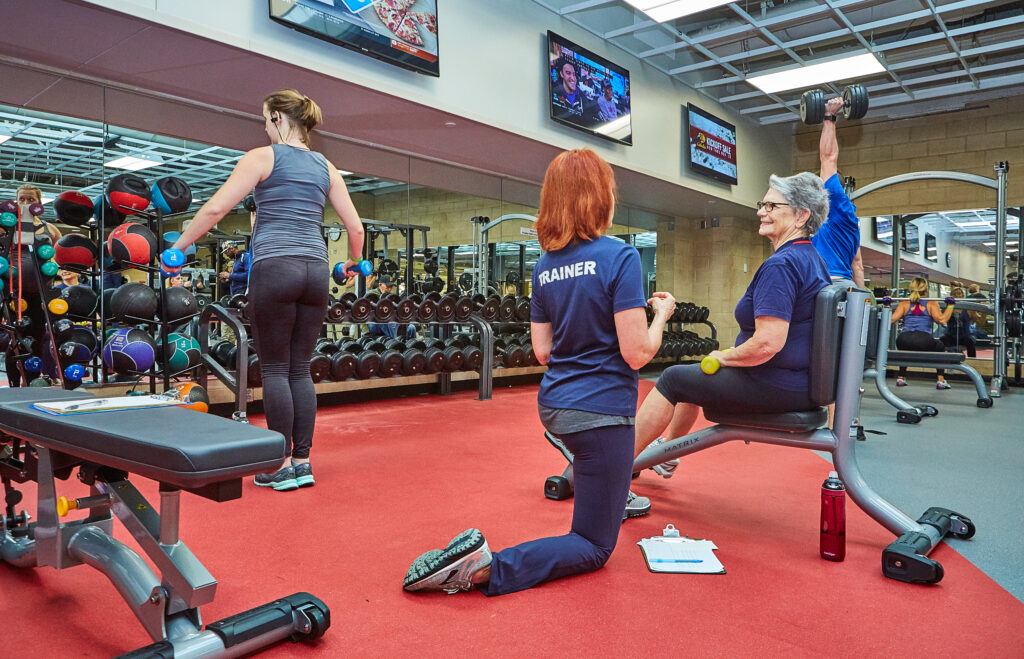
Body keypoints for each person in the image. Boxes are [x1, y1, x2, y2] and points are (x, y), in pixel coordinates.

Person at [402, 148, 676, 596]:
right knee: (592, 545)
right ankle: (483, 568)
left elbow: (543, 351)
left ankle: (598, 484)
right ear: (601, 197)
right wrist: (661, 314)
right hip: (601, 412)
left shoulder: (545, 266)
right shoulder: (620, 258)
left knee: (593, 470)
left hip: (555, 406)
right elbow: (637, 353)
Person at [166, 89, 364, 491]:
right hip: (317, 270)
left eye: (263, 118)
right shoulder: (327, 166)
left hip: (276, 268)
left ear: (276, 118)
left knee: (274, 368)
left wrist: (178, 247)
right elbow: (356, 228)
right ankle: (302, 461)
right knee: (298, 368)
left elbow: (216, 209)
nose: (263, 125)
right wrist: (351, 265)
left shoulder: (262, 157)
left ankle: (279, 464)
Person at [632, 172, 831, 498]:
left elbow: (768, 343)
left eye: (771, 205)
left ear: (801, 215)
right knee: (693, 378)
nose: (761, 211)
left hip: (775, 383)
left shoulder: (782, 265)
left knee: (671, 378)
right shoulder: (813, 260)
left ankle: (615, 470)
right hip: (798, 384)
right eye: (762, 204)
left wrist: (724, 356)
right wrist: (728, 356)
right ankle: (666, 455)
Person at [3, 184, 61, 385]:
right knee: (16, 340)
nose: (26, 203)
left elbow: (58, 256)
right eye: (22, 199)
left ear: (39, 203)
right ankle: (13, 385)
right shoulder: (7, 226)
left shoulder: (49, 228)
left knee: (36, 338)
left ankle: (32, 382)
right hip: (14, 292)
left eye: (31, 199)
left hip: (39, 293)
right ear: (16, 201)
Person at [813, 96, 864, 291]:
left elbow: (827, 158)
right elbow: (857, 265)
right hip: (844, 286)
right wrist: (862, 302)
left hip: (826, 284)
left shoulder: (835, 201)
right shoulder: (851, 221)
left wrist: (829, 116)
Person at [889, 277, 955, 389]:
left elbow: (890, 319)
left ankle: (900, 378)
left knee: (905, 350)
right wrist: (950, 305)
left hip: (903, 339)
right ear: (926, 289)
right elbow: (942, 320)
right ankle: (940, 380)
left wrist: (888, 306)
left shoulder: (904, 303)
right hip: (923, 340)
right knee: (940, 345)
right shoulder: (931, 303)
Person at [939, 286, 976, 357]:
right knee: (940, 343)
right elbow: (942, 318)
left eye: (959, 294)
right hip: (950, 336)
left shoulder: (968, 309)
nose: (957, 296)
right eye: (955, 294)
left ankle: (973, 361)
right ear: (951, 296)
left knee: (971, 342)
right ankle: (939, 363)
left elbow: (977, 320)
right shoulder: (948, 308)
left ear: (962, 296)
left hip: (964, 336)